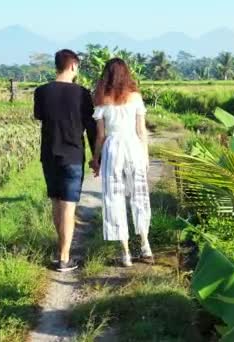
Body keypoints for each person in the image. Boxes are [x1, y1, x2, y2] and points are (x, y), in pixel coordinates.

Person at [34, 49, 97, 272]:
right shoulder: (82, 94)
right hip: (72, 155)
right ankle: (64, 258)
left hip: (49, 155)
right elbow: (91, 128)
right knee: (68, 208)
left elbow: (40, 116)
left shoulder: (41, 92)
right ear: (72, 66)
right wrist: (95, 157)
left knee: (56, 203)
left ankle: (61, 250)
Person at [90, 58, 153, 267]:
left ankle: (125, 253)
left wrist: (95, 159)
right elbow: (141, 131)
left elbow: (100, 136)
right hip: (134, 146)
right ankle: (145, 246)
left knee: (113, 197)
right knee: (140, 196)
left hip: (113, 147)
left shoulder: (102, 98)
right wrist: (145, 157)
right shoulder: (135, 97)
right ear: (127, 74)